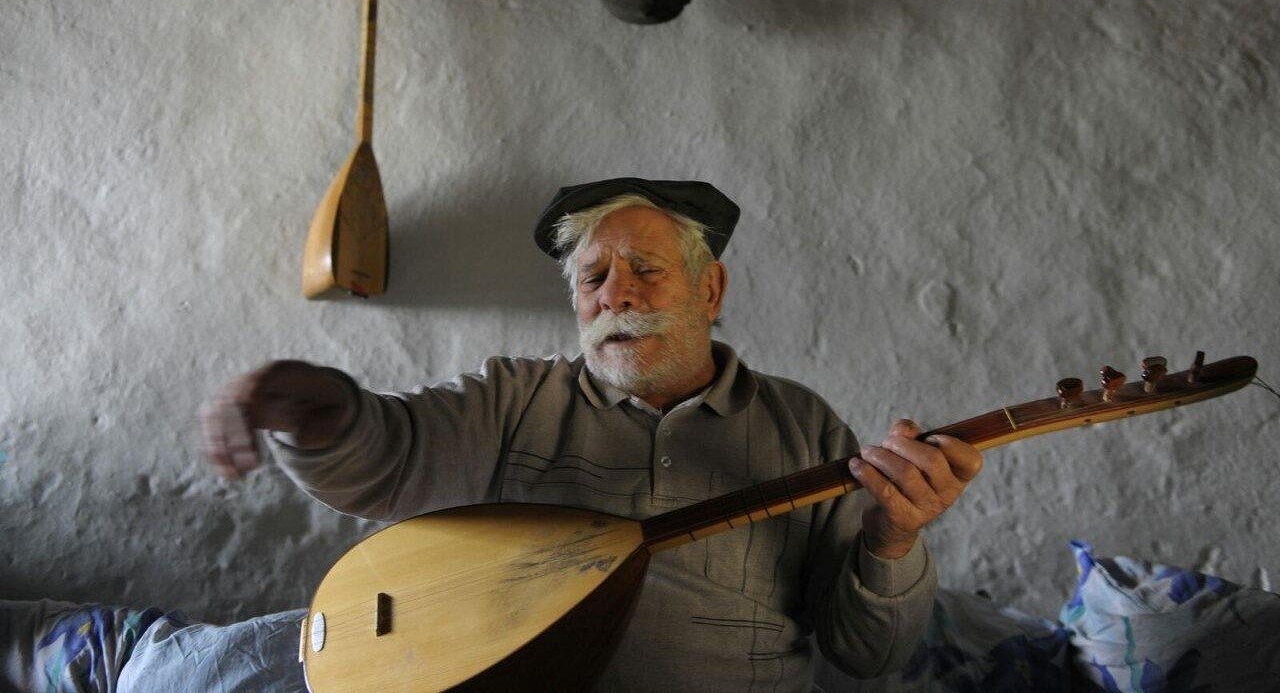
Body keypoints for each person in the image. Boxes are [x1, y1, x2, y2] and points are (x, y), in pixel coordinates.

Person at [199, 177, 983, 691]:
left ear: (710, 289)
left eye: (646, 269)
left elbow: (868, 653)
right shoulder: (515, 399)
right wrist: (307, 400)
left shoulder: (802, 424)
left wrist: (892, 539)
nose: (616, 296)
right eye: (592, 278)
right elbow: (384, 454)